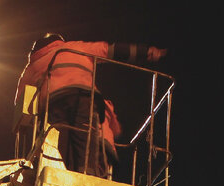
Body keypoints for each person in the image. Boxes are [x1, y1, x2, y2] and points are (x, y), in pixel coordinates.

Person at [14, 33, 166, 175]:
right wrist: (146, 51)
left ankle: (61, 171)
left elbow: (20, 100)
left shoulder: (33, 65)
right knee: (84, 134)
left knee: (59, 138)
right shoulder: (75, 47)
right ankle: (86, 172)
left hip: (53, 101)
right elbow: (110, 50)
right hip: (84, 95)